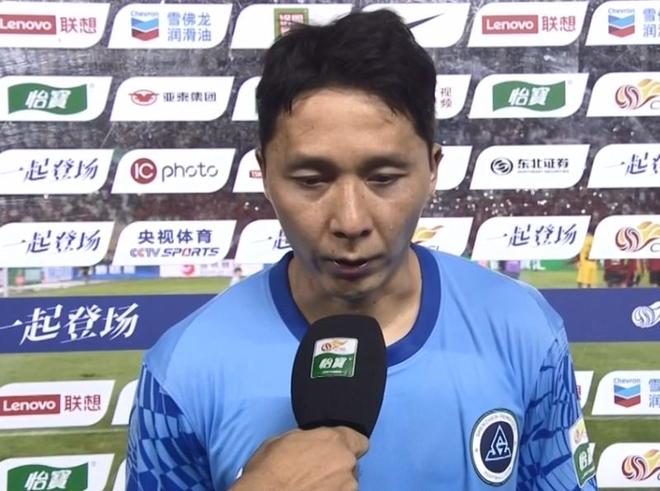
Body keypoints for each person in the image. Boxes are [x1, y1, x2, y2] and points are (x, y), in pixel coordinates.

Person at [126, 10, 597, 490]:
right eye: (312, 180)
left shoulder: (524, 328)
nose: (350, 221)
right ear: (264, 174)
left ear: (432, 169)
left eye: (384, 178)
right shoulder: (182, 371)